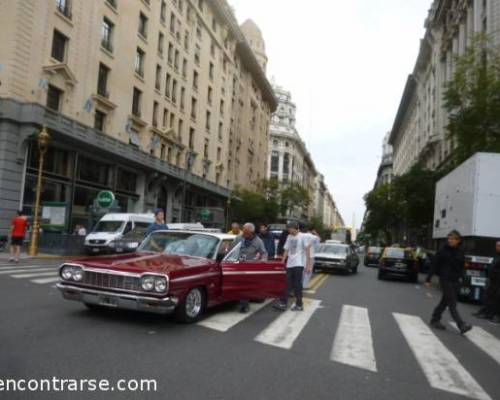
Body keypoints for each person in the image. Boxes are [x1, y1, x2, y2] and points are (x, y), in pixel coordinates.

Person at [425, 230, 472, 334]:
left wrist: (463, 279)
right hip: (445, 279)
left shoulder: (461, 251)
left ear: (458, 240)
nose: (449, 241)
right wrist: (428, 279)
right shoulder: (443, 250)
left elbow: (461, 267)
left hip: (455, 280)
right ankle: (461, 325)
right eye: (449, 238)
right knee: (452, 302)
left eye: (452, 239)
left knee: (445, 301)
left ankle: (435, 319)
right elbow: (434, 264)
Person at [274, 222, 312, 312]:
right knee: (287, 284)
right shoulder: (289, 237)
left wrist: (308, 265)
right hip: (290, 264)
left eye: (290, 229)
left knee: (297, 285)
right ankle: (283, 303)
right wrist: (283, 261)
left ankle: (299, 305)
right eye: (288, 229)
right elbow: (286, 249)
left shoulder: (303, 236)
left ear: (295, 228)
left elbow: (307, 250)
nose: (289, 230)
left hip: (299, 264)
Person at [234, 223, 268, 313]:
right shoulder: (238, 238)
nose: (244, 235)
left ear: (251, 232)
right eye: (243, 232)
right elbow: (231, 249)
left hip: (249, 266)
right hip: (237, 265)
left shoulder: (258, 241)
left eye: (246, 233)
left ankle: (244, 306)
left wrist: (263, 260)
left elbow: (264, 253)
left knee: (245, 286)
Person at [473, 240, 500, 324]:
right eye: (496, 245)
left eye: (498, 246)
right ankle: (486, 313)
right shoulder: (497, 256)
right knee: (489, 296)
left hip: (498, 281)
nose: (497, 247)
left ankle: (496, 316)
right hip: (493, 280)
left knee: (497, 299)